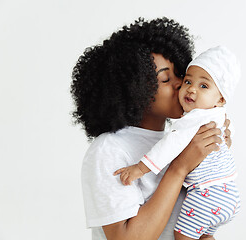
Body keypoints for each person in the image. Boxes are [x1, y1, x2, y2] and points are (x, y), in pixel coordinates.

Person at [71, 17, 232, 240]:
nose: (180, 84)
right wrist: (180, 168)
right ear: (133, 90)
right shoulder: (109, 149)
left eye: (181, 75)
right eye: (165, 78)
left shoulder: (177, 140)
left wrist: (214, 148)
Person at [114, 46, 241, 239]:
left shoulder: (192, 120)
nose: (189, 88)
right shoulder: (218, 115)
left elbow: (169, 145)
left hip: (206, 193)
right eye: (188, 81)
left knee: (181, 236)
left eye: (203, 86)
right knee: (204, 237)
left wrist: (140, 169)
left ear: (221, 98)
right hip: (229, 194)